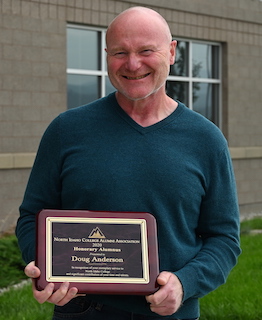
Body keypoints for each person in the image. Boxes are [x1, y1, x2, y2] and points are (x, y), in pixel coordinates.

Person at [16, 6, 241, 320]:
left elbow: (224, 238)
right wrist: (44, 266)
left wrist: (185, 283)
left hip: (170, 313)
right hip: (81, 311)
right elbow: (32, 217)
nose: (133, 64)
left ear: (172, 52)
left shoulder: (206, 139)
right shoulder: (66, 131)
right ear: (106, 55)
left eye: (146, 50)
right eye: (120, 52)